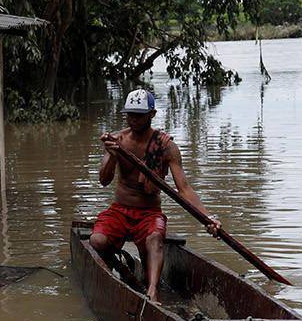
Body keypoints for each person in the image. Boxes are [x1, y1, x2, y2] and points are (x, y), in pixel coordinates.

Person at [93, 88, 220, 301]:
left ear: (152, 114)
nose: (133, 119)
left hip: (149, 212)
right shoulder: (118, 141)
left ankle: (152, 292)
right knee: (97, 241)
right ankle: (124, 271)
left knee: (154, 239)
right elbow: (104, 180)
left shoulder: (166, 147)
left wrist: (207, 218)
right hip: (120, 210)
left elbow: (184, 188)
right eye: (130, 114)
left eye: (139, 115)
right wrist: (112, 157)